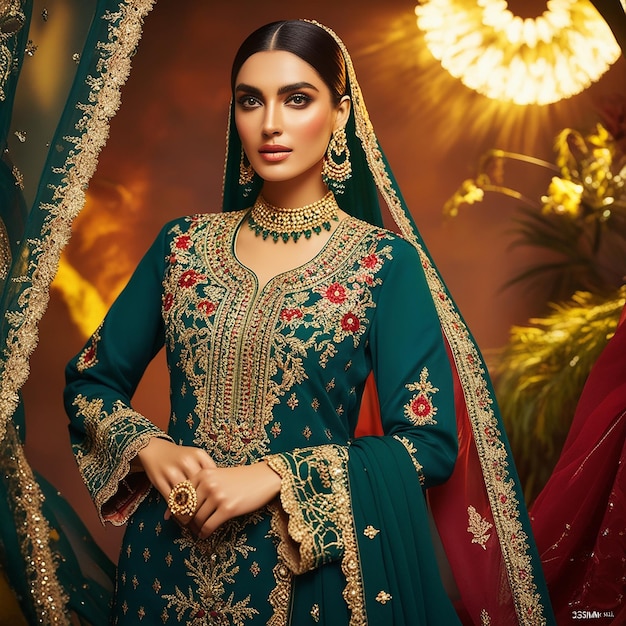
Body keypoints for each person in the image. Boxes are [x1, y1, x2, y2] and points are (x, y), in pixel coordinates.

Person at [64, 19, 555, 625]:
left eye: (297, 99)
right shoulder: (182, 247)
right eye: (251, 101)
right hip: (162, 564)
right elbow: (90, 381)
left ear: (340, 113)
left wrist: (275, 475)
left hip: (305, 577)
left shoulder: (383, 265)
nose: (270, 123)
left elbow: (427, 445)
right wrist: (150, 448)